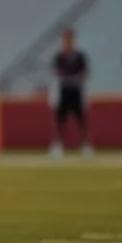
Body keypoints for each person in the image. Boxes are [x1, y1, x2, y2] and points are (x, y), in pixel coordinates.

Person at [50, 27, 91, 157]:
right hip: (64, 91)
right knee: (61, 120)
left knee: (81, 119)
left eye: (69, 38)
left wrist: (76, 79)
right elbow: (56, 72)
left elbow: (85, 72)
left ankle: (85, 145)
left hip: (77, 91)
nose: (67, 41)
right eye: (65, 39)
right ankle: (58, 145)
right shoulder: (59, 56)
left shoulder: (80, 56)